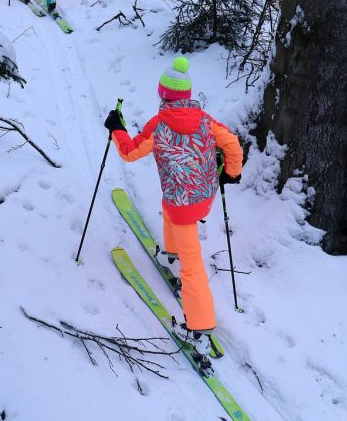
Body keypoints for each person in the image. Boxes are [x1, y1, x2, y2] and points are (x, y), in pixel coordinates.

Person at [103, 56, 243, 355]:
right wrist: (232, 172)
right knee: (169, 207)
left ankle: (200, 328)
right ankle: (171, 255)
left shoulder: (158, 125)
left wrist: (116, 128)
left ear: (162, 93)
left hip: (183, 205)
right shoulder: (206, 120)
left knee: (192, 269)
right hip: (203, 196)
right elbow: (231, 142)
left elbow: (129, 152)